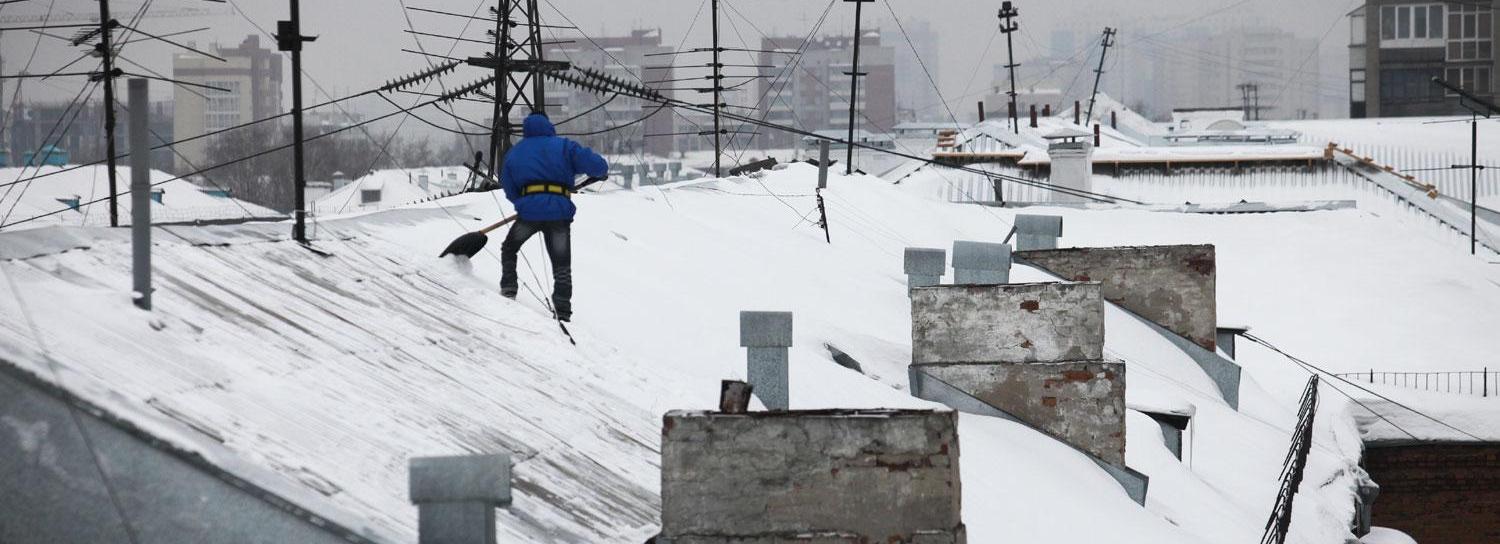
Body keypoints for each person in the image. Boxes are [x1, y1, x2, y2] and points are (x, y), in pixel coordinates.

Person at [498, 113, 609, 322]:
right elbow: (598, 166)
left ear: (526, 128)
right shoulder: (564, 146)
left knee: (509, 248)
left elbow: (508, 184)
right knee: (561, 264)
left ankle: (509, 287)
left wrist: (523, 204)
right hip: (558, 211)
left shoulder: (516, 152)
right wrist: (600, 170)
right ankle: (563, 310)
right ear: (549, 125)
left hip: (529, 212)